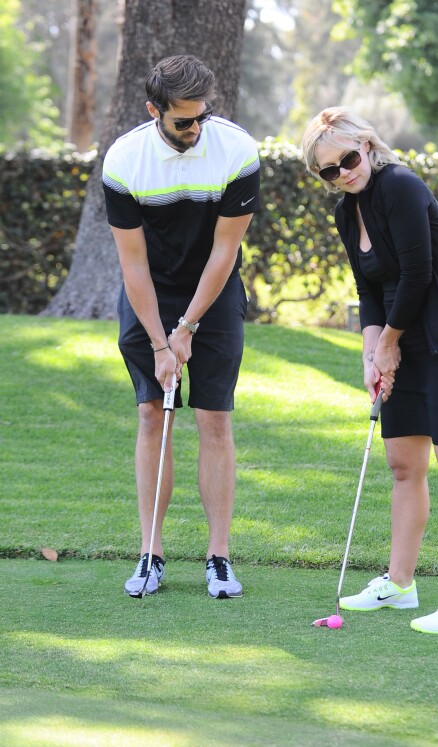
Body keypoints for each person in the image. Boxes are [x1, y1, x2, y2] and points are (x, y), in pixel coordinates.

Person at [302, 107, 438, 634]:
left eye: (348, 158)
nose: (343, 171)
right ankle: (400, 584)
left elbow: (417, 274)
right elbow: (370, 289)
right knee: (403, 466)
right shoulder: (349, 211)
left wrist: (388, 344)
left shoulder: (401, 186)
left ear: (366, 146)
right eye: (329, 170)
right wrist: (372, 354)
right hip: (400, 343)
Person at [102, 55, 260, 599]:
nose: (195, 129)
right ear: (154, 111)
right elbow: (133, 264)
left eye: (202, 117)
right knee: (153, 414)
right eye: (183, 121)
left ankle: (218, 558)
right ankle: (151, 553)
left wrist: (187, 328)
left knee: (214, 419)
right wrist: (158, 340)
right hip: (151, 290)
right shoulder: (124, 160)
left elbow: (225, 250)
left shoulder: (237, 150)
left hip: (212, 294)